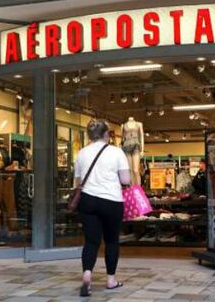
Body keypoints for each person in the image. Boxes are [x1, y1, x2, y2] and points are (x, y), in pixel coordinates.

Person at [74, 119, 131, 297]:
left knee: (91, 241)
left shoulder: (81, 153)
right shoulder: (116, 152)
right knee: (112, 241)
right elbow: (125, 180)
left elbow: (77, 181)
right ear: (106, 134)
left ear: (89, 136)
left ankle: (87, 276)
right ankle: (111, 280)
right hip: (111, 201)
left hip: (88, 200)